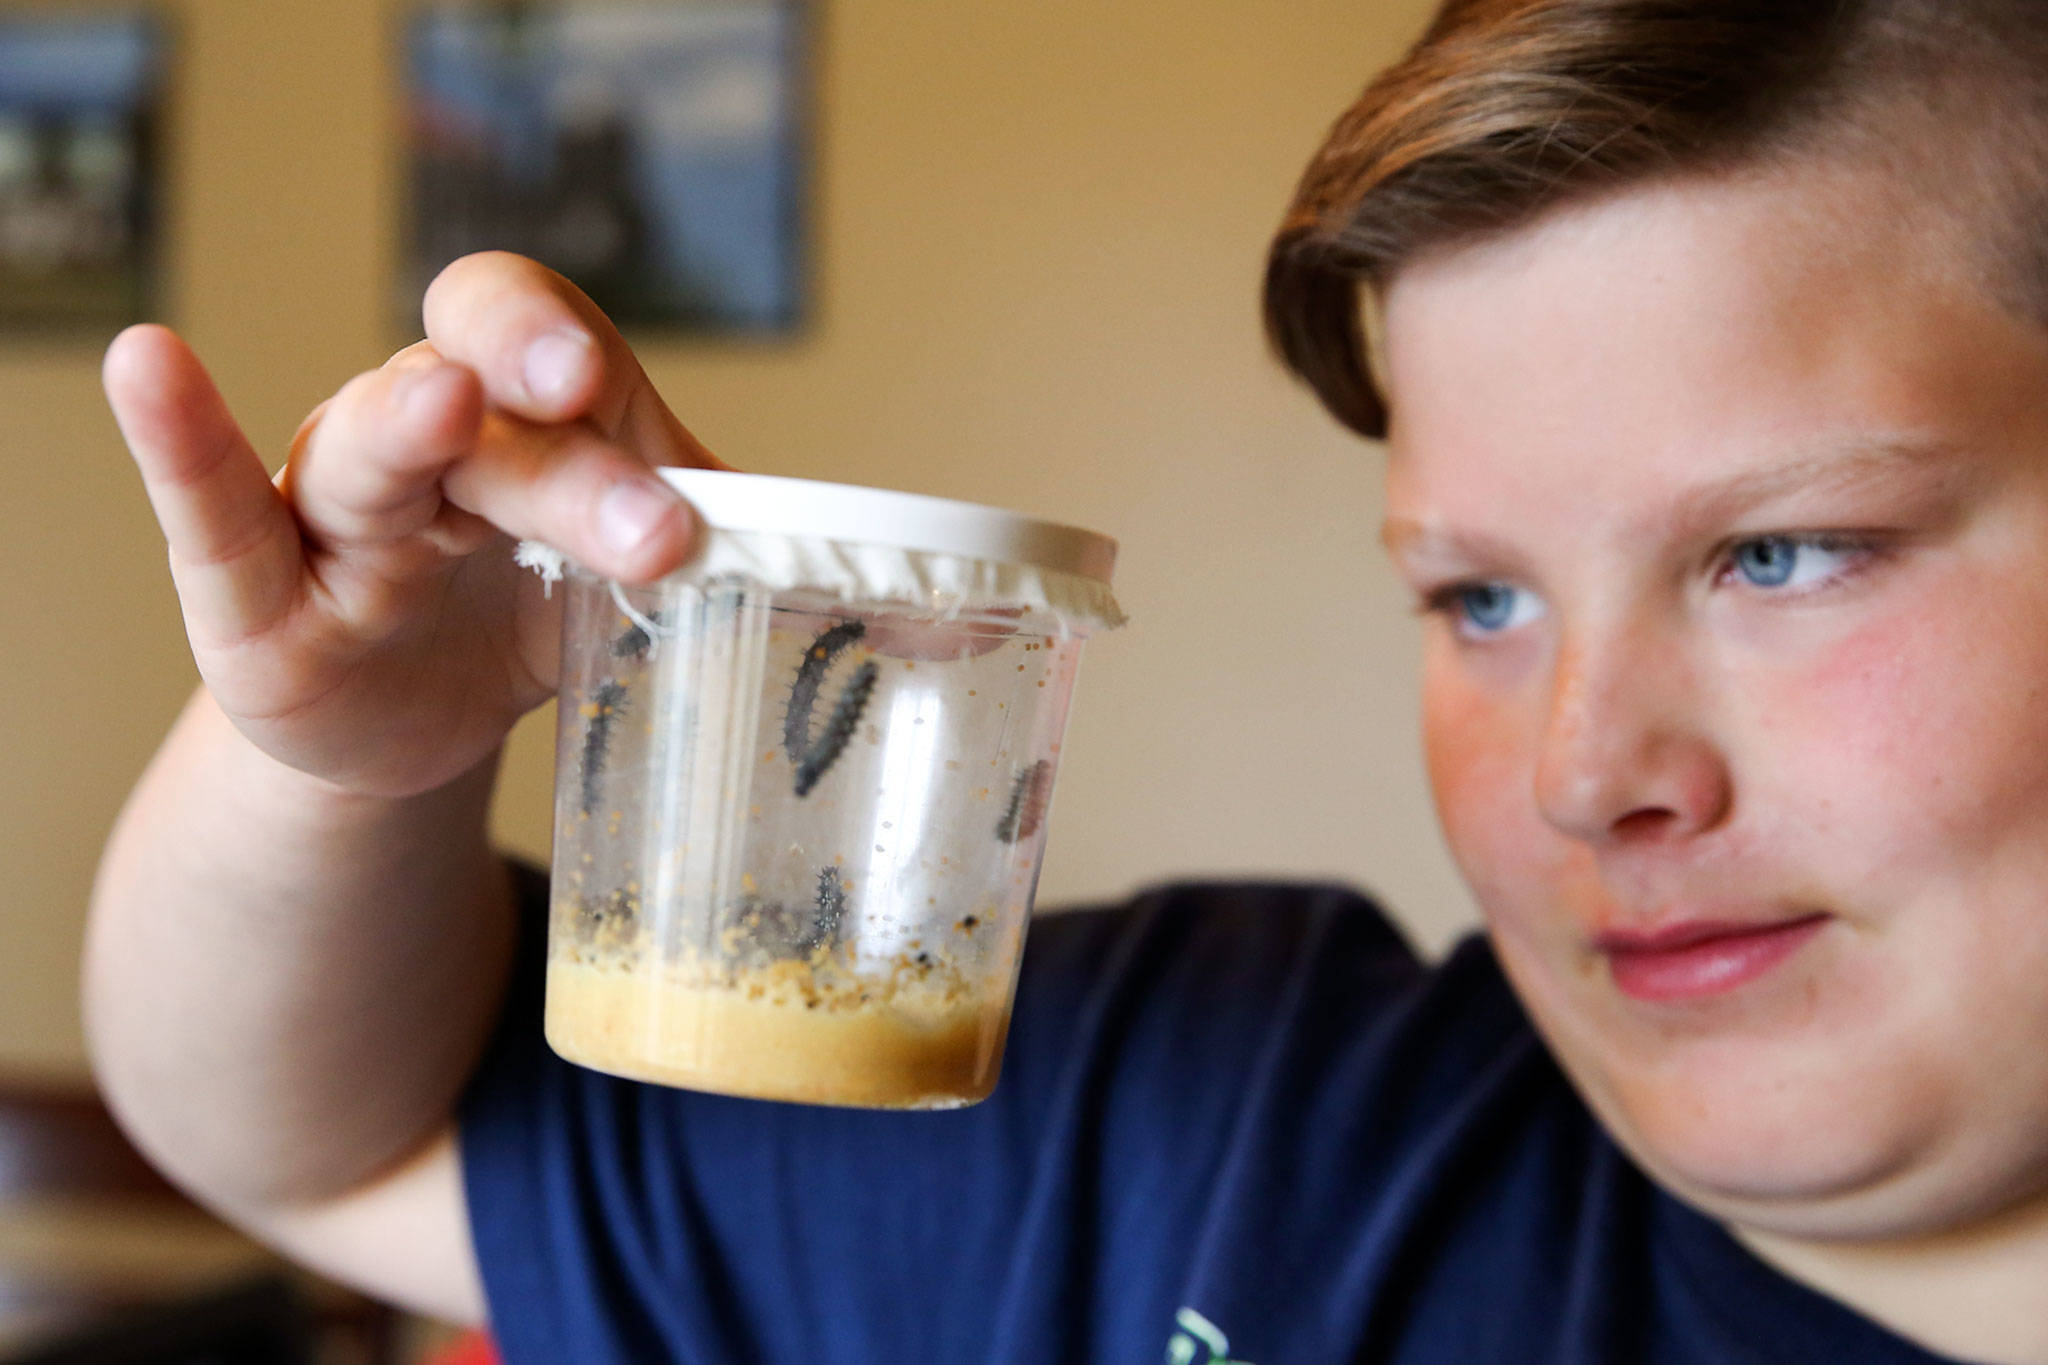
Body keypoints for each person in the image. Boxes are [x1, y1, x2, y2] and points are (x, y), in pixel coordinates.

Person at [85, 0, 2048, 1359]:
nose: (1580, 771)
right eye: (1477, 598)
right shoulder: (1210, 1129)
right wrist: (350, 761)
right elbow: (331, 1140)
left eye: (1781, 555)